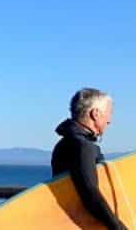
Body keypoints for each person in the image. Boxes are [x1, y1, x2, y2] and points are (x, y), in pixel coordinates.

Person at [52, 87, 128, 230]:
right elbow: (89, 192)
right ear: (95, 114)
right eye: (108, 114)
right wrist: (118, 227)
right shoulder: (82, 146)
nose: (109, 121)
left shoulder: (65, 143)